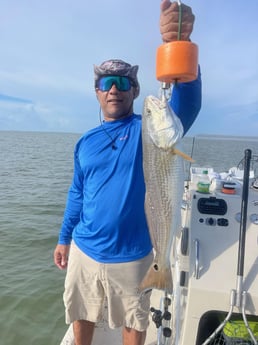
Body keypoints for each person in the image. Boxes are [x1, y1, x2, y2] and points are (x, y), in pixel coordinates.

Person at [53, 1, 202, 345]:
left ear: (134, 90)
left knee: (134, 322)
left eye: (122, 82)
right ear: (97, 92)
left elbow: (188, 104)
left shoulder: (149, 130)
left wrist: (182, 44)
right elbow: (78, 192)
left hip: (135, 254)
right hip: (85, 249)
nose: (114, 89)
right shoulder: (85, 142)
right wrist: (64, 238)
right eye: (106, 82)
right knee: (80, 312)